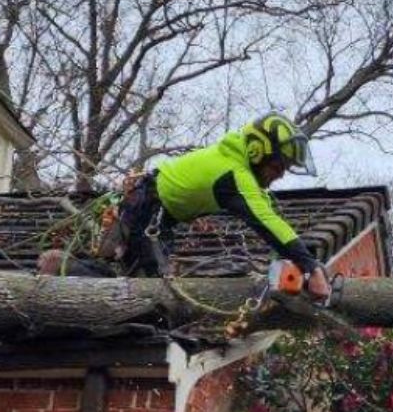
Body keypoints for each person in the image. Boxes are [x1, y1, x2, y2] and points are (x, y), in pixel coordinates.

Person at [38, 115, 332, 302]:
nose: (279, 175)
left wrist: (304, 260)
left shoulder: (234, 166)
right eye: (277, 167)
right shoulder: (233, 173)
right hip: (149, 212)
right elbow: (266, 222)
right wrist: (311, 266)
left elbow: (269, 216)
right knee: (149, 296)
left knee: (132, 280)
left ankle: (68, 268)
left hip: (151, 211)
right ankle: (65, 269)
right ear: (257, 153)